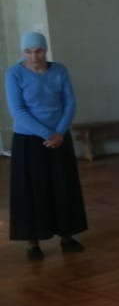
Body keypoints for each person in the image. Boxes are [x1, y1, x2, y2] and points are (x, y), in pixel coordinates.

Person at [5, 31, 88, 260]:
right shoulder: (14, 74)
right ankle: (33, 243)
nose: (34, 56)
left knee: (63, 186)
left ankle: (67, 236)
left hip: (59, 137)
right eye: (28, 52)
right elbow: (18, 111)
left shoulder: (59, 70)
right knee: (31, 190)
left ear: (45, 50)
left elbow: (69, 102)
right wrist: (48, 134)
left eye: (38, 51)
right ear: (23, 52)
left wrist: (59, 133)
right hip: (29, 140)